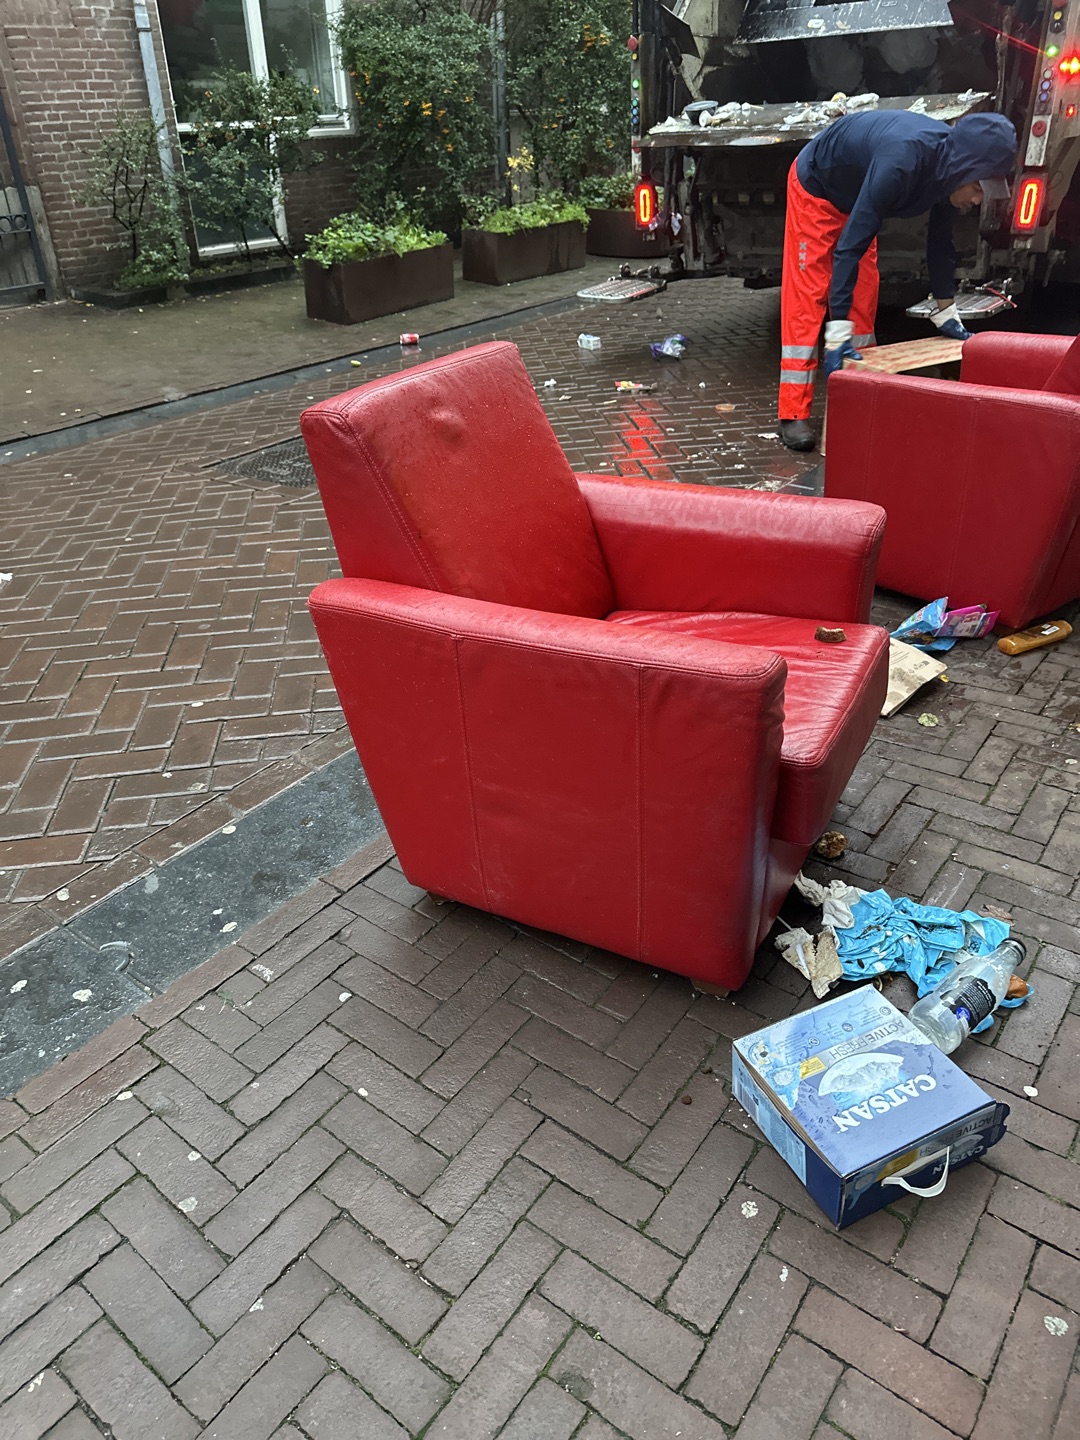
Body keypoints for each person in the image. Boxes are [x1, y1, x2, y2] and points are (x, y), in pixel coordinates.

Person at [777, 109, 1017, 451]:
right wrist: (837, 329)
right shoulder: (902, 162)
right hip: (818, 188)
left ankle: (858, 397)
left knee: (863, 296)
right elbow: (847, 249)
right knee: (808, 296)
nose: (979, 200)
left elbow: (940, 243)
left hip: (860, 194)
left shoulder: (948, 172)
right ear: (964, 169)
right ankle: (793, 412)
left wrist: (946, 311)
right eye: (979, 188)